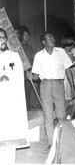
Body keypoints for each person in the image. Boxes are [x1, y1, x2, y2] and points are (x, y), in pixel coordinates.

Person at [27, 32, 73, 153]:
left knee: (61, 115)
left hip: (59, 84)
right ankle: (51, 145)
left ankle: (63, 143)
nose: (52, 39)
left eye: (53, 37)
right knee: (48, 117)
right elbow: (36, 76)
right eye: (49, 38)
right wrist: (30, 76)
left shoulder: (61, 52)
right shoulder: (38, 56)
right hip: (45, 85)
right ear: (43, 42)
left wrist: (73, 85)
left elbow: (68, 69)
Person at [0, 28, 29, 159]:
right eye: (0, 37)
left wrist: (8, 78)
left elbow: (19, 77)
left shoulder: (14, 56)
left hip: (10, 98)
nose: (3, 40)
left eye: (4, 37)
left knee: (10, 134)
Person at [19, 25, 40, 110]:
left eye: (28, 35)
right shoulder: (18, 47)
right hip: (21, 72)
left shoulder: (30, 47)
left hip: (29, 72)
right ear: (20, 36)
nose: (27, 37)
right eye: (25, 35)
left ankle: (28, 108)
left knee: (28, 92)